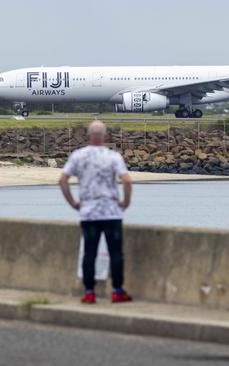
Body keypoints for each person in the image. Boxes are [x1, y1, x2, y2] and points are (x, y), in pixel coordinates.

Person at [59, 120, 133, 304]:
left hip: (88, 212)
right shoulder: (113, 156)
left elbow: (62, 180)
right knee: (115, 253)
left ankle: (89, 292)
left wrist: (73, 203)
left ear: (87, 136)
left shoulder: (78, 156)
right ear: (106, 137)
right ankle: (117, 291)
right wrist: (125, 202)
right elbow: (127, 180)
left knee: (89, 253)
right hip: (111, 212)